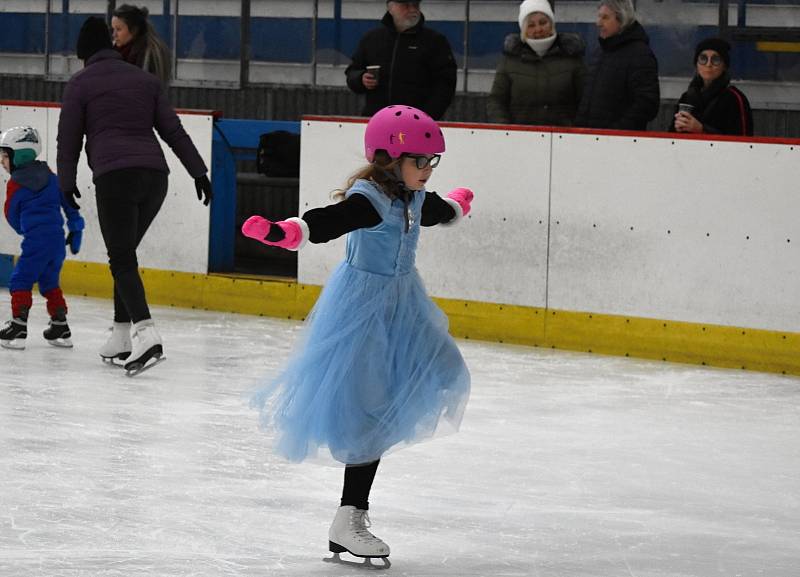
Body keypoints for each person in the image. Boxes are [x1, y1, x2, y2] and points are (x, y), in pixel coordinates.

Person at [242, 105, 472, 568]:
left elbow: (434, 212)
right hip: (362, 310)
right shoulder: (371, 199)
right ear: (389, 158)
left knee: (446, 369)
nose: (428, 170)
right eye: (421, 160)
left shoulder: (413, 195)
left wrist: (457, 207)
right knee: (368, 414)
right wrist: (289, 231)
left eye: (433, 162)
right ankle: (350, 517)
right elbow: (332, 219)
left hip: (405, 305)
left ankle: (353, 510)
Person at [56, 16, 213, 376]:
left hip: (116, 177)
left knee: (121, 258)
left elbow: (69, 140)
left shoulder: (80, 84)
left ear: (84, 54)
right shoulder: (145, 80)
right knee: (123, 256)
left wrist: (65, 182)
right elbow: (173, 130)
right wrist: (199, 172)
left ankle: (145, 332)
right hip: (155, 179)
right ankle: (122, 336)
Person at [0, 126, 84, 350]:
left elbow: (10, 213)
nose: (2, 162)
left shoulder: (16, 184)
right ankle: (60, 326)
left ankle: (18, 327)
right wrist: (76, 228)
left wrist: (23, 229)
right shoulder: (52, 177)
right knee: (49, 283)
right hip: (57, 241)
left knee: (20, 280)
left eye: (5, 156)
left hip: (36, 241)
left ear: (20, 155)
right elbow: (69, 204)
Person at [344, 1, 457, 120]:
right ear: (390, 8)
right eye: (406, 5)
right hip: (377, 121)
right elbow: (352, 72)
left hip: (416, 123)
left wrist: (426, 117)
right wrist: (361, 78)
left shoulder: (435, 41)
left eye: (415, 5)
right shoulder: (372, 39)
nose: (412, 10)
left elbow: (445, 85)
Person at [487, 0, 586, 126]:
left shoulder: (572, 57)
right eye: (531, 25)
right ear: (523, 30)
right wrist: (506, 130)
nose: (538, 29)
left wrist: (575, 132)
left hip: (563, 140)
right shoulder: (510, 60)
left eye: (543, 22)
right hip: (521, 139)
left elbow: (585, 102)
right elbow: (496, 101)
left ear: (551, 24)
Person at [575, 0, 659, 130]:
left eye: (605, 17)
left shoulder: (640, 54)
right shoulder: (600, 52)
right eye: (599, 16)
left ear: (622, 20)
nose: (598, 23)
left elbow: (647, 104)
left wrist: (617, 131)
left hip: (620, 143)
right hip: (588, 140)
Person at [670, 37, 753, 136]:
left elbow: (744, 141)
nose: (708, 64)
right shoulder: (687, 97)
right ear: (696, 64)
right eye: (703, 59)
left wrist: (702, 129)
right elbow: (671, 138)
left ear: (724, 66)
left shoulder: (734, 98)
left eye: (715, 59)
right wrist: (677, 129)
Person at [111, 4, 171, 86]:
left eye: (118, 29)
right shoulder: (114, 52)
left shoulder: (150, 53)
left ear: (134, 30)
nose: (114, 35)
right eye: (113, 29)